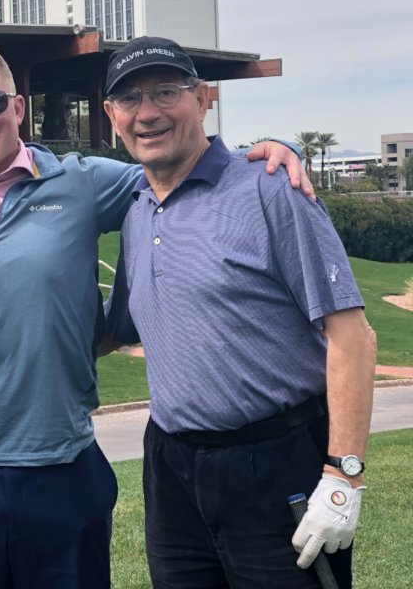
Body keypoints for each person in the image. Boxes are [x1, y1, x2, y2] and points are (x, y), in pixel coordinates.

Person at [0, 39, 311, 589]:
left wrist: (271, 149)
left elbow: (185, 166)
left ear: (18, 108)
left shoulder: (82, 182)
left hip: (63, 467)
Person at [102, 36, 377, 589]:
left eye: (166, 92)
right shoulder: (136, 209)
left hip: (276, 459)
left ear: (204, 98)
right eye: (130, 99)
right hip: (171, 468)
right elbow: (116, 330)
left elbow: (352, 335)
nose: (147, 113)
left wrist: (343, 474)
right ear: (111, 115)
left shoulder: (271, 187)